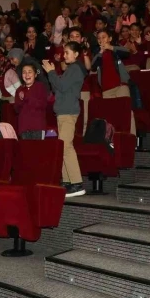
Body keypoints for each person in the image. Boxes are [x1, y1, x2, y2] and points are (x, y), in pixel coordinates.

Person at [43, 42, 87, 198]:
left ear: (76, 54)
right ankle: (68, 182)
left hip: (68, 112)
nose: (64, 55)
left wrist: (51, 72)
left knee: (66, 146)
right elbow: (58, 88)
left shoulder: (75, 69)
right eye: (64, 52)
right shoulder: (70, 70)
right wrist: (53, 75)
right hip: (63, 112)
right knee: (63, 146)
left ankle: (77, 183)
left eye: (67, 52)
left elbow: (60, 85)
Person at [14, 62, 48, 140]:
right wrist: (21, 100)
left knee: (37, 151)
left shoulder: (40, 87)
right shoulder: (19, 89)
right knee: (25, 151)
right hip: (24, 127)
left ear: (35, 74)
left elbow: (42, 105)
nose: (27, 75)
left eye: (30, 72)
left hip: (38, 127)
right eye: (24, 72)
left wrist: (26, 97)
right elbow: (16, 109)